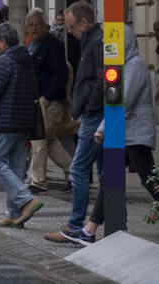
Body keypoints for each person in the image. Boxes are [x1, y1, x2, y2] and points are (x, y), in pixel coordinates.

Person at [66, 25, 158, 243]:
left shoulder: (134, 66)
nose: (109, 48)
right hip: (128, 133)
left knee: (149, 179)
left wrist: (102, 129)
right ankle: (89, 230)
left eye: (112, 43)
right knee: (110, 178)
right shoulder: (125, 66)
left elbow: (123, 102)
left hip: (134, 134)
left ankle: (88, 230)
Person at [46, 0, 105, 245]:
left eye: (71, 26)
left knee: (79, 170)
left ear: (84, 22)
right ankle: (93, 225)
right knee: (103, 171)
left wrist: (89, 107)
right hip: (95, 113)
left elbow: (103, 78)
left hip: (96, 114)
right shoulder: (92, 41)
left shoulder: (97, 42)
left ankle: (75, 226)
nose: (69, 32)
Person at [0, 22, 43, 227]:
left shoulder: (4, 61)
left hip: (5, 121)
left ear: (3, 42)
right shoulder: (26, 59)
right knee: (16, 169)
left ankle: (26, 200)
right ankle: (15, 215)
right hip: (24, 121)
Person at [24, 7, 75, 194]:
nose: (35, 28)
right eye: (31, 25)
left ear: (45, 25)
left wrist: (47, 96)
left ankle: (37, 182)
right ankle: (74, 173)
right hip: (41, 100)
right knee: (49, 140)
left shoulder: (51, 44)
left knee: (39, 139)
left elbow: (60, 73)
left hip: (49, 101)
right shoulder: (33, 44)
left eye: (38, 24)